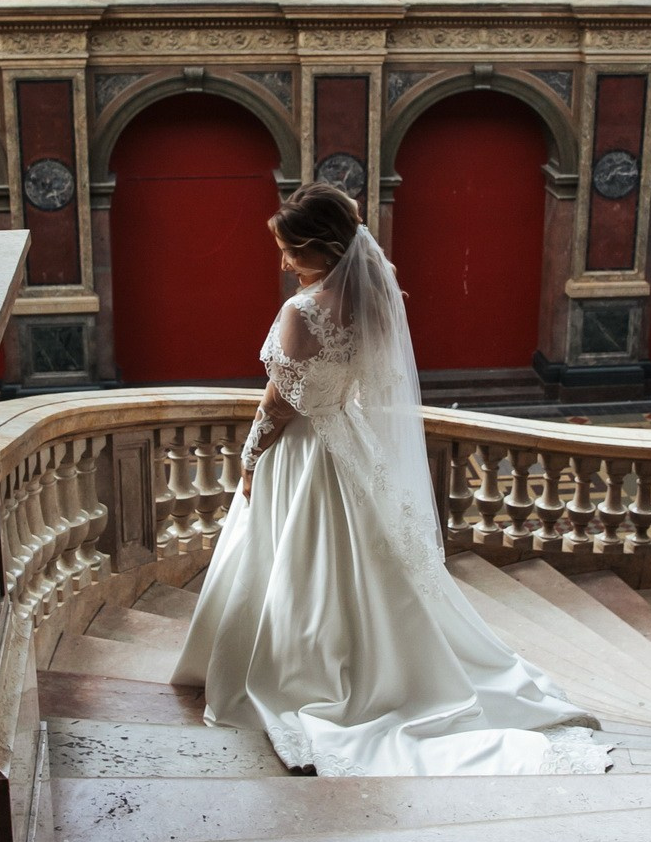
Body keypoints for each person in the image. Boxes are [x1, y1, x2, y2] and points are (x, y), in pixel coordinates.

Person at [173, 182, 613, 777]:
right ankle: (391, 662)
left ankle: (310, 671)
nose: (282, 263)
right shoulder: (377, 301)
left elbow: (280, 404)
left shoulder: (302, 311)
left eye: (289, 251)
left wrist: (250, 461)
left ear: (321, 249)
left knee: (296, 563)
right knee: (363, 563)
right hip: (350, 442)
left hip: (305, 452)